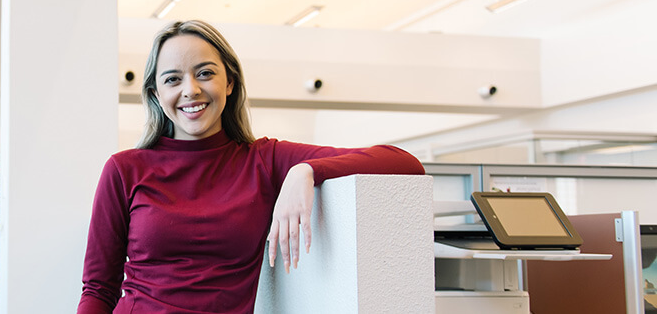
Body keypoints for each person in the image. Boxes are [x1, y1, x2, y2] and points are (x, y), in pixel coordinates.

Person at [78, 20, 425, 314]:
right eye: (172, 79)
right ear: (155, 94)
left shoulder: (264, 160)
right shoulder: (124, 170)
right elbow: (98, 289)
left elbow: (402, 162)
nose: (191, 90)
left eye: (205, 73)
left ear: (229, 82)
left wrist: (305, 170)